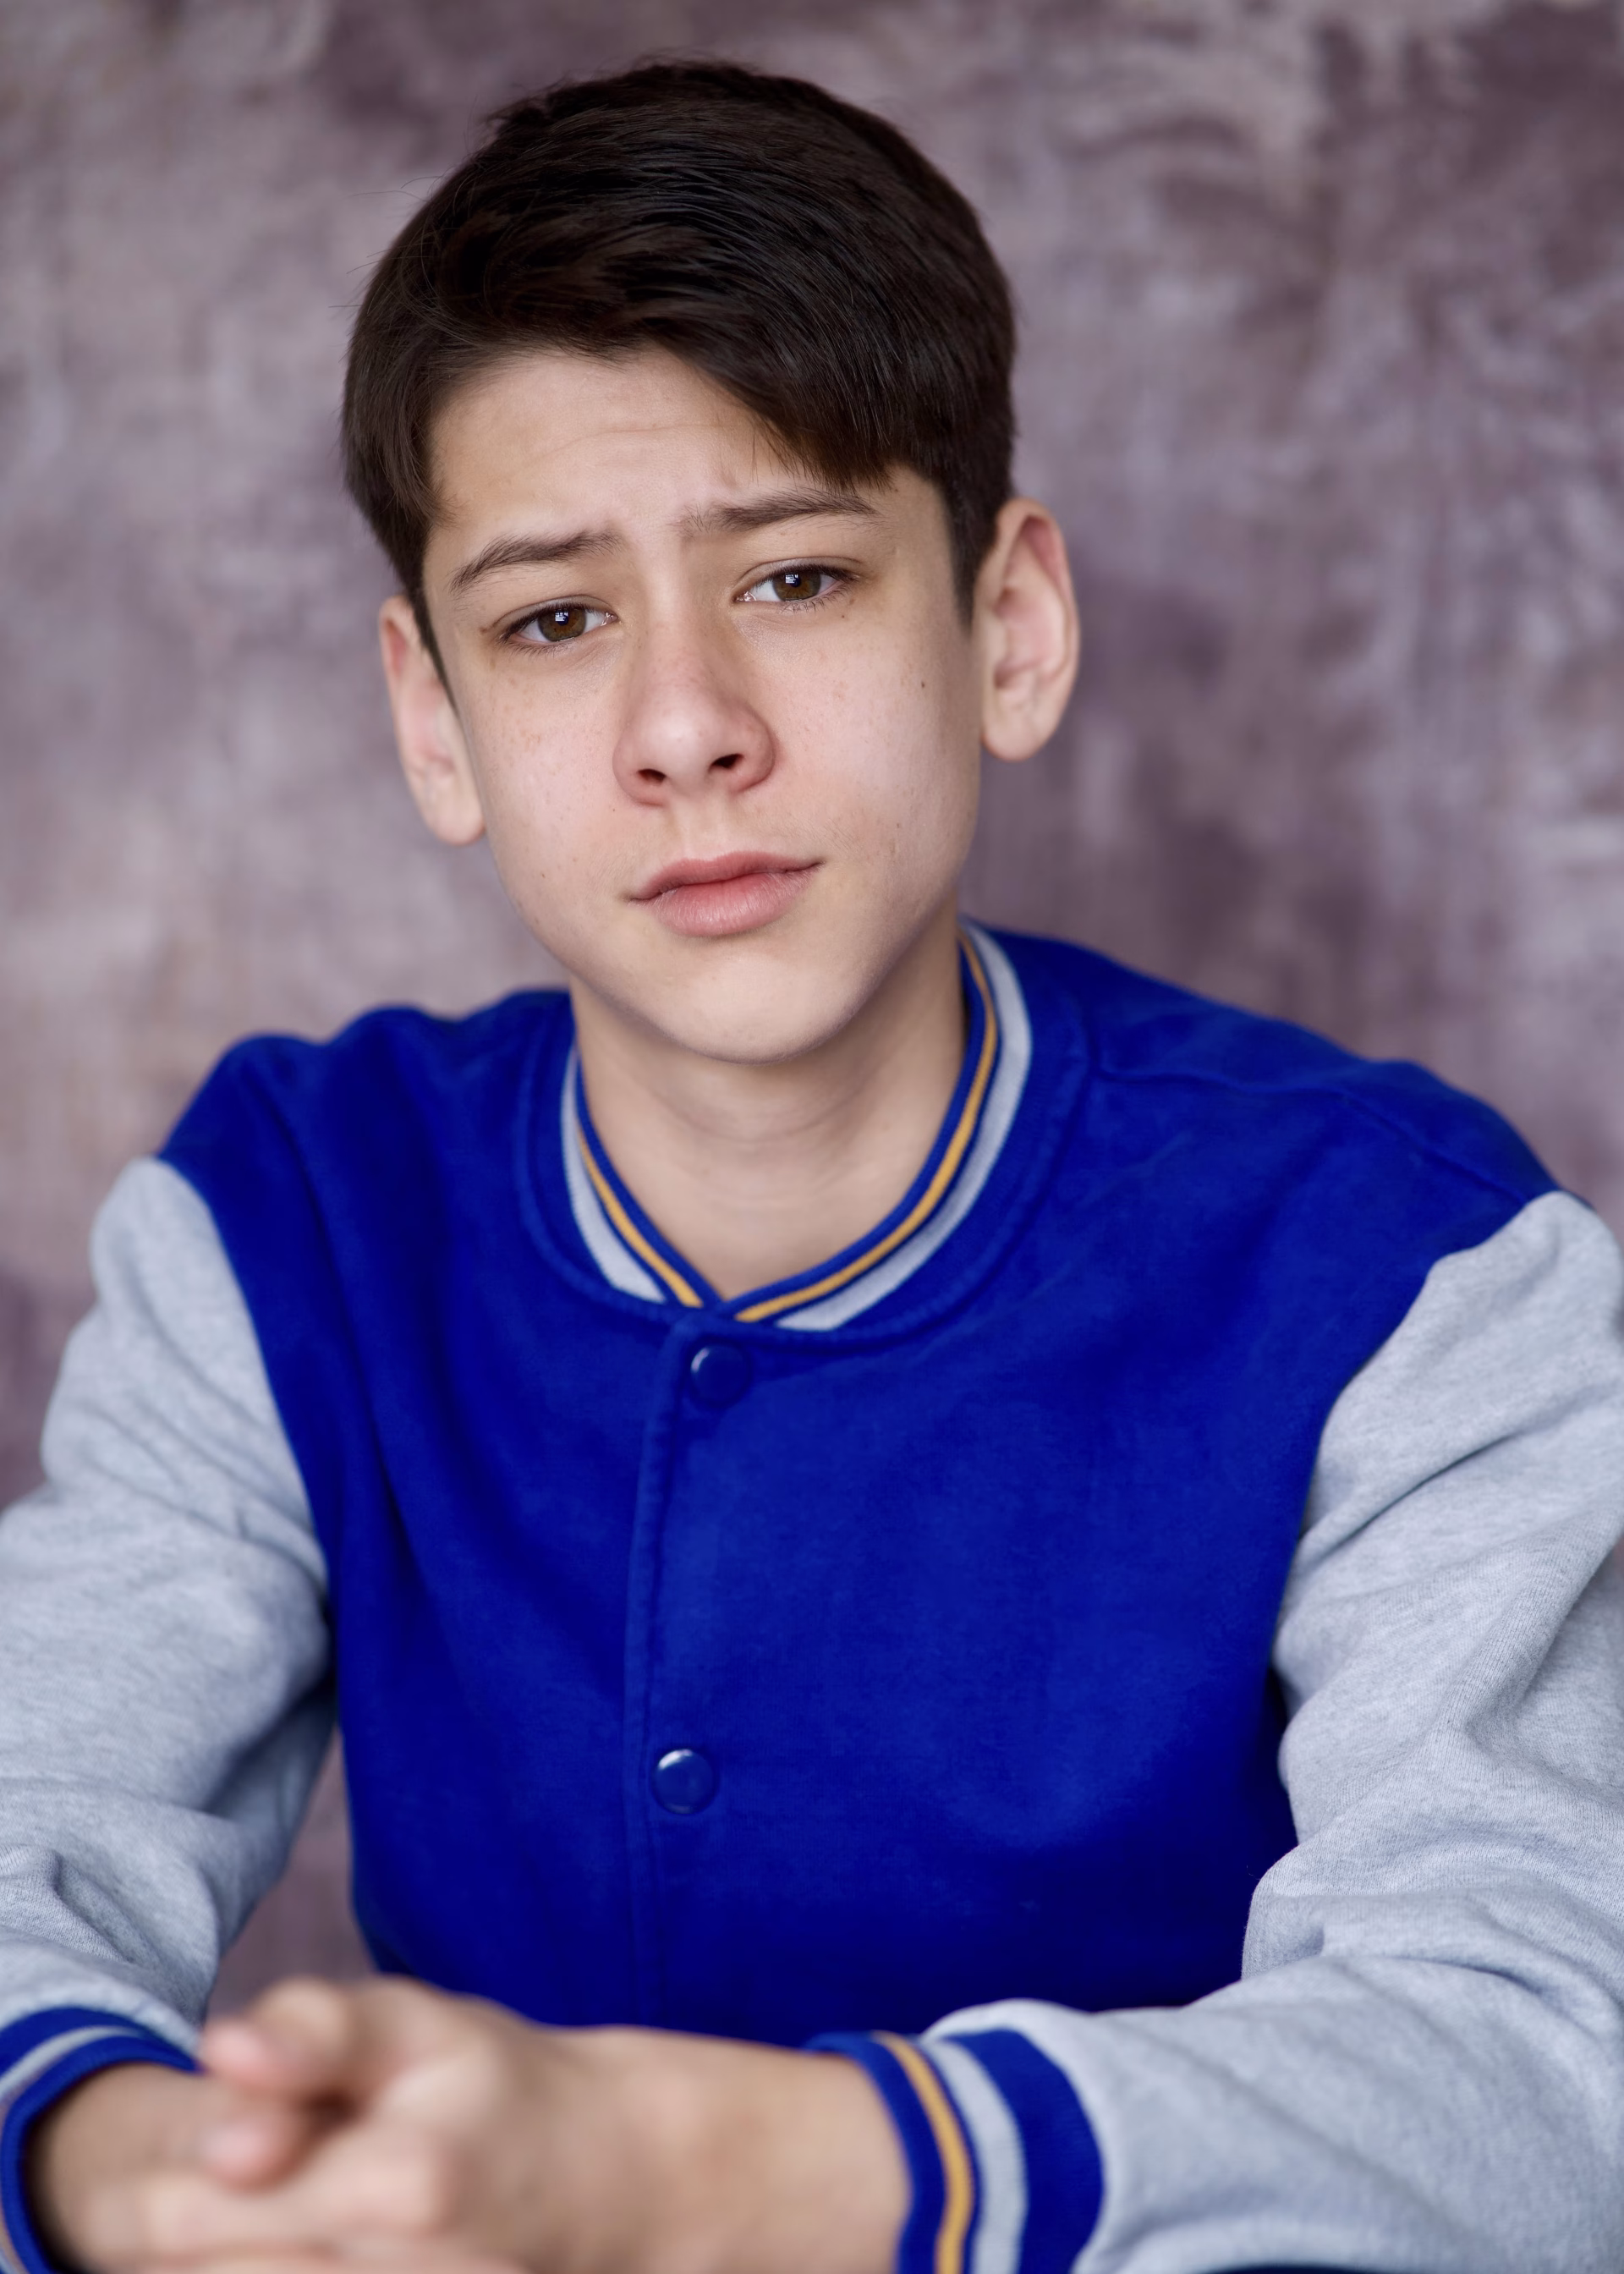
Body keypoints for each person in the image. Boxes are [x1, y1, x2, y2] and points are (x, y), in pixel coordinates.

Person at [3, 55, 1624, 2274]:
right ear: (432, 720)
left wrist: (710, 2168)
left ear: (1007, 627)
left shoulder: (1412, 1268)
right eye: (554, 618)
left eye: (794, 575)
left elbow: (1542, 2072)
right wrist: (139, 2175)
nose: (688, 727)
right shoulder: (292, 1220)